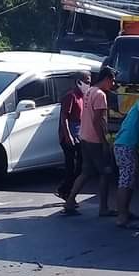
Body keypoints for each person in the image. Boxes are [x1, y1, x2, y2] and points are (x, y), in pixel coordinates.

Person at [64, 67, 117, 216]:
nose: (113, 84)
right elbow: (98, 120)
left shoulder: (89, 91)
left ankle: (69, 202)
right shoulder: (100, 95)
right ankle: (104, 208)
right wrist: (104, 142)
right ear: (107, 78)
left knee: (86, 172)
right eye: (112, 81)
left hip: (84, 136)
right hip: (95, 140)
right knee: (105, 172)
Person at [112, 96, 139, 229]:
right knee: (125, 180)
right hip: (125, 145)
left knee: (131, 179)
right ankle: (121, 217)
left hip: (128, 146)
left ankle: (125, 212)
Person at [56, 70, 90, 201]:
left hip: (79, 134)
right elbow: (64, 117)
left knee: (80, 166)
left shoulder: (83, 96)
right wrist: (68, 136)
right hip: (69, 134)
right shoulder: (71, 96)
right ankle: (67, 192)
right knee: (71, 166)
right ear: (78, 82)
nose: (88, 84)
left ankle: (65, 189)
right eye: (86, 81)